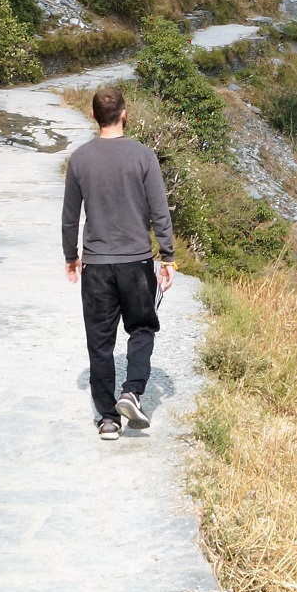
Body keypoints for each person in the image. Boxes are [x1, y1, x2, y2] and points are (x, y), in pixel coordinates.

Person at [62, 86, 176, 442]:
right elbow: (160, 210)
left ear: (93, 116)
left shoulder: (79, 159)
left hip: (96, 265)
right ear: (124, 113)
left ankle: (108, 419)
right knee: (141, 328)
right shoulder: (143, 156)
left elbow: (69, 217)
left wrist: (71, 256)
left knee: (100, 341)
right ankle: (132, 391)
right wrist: (168, 257)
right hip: (137, 261)